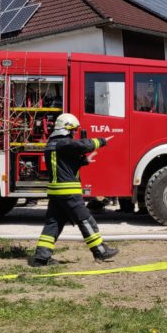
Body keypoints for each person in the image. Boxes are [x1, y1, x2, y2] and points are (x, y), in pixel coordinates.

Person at [29, 113, 119, 267]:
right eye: (73, 130)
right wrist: (101, 141)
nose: (74, 133)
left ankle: (41, 258)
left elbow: (65, 166)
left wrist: (84, 160)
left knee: (53, 224)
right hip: (68, 192)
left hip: (56, 192)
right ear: (67, 128)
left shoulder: (52, 144)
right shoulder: (63, 143)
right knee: (85, 219)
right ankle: (100, 251)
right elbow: (81, 145)